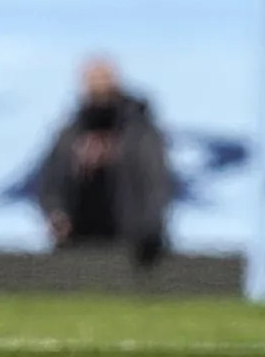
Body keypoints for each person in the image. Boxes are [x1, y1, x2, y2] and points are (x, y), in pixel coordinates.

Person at [36, 56, 172, 265]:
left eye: (104, 82)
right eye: (92, 84)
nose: (98, 91)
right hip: (78, 241)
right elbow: (50, 183)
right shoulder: (70, 134)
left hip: (133, 248)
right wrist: (57, 215)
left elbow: (157, 183)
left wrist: (149, 229)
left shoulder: (140, 133)